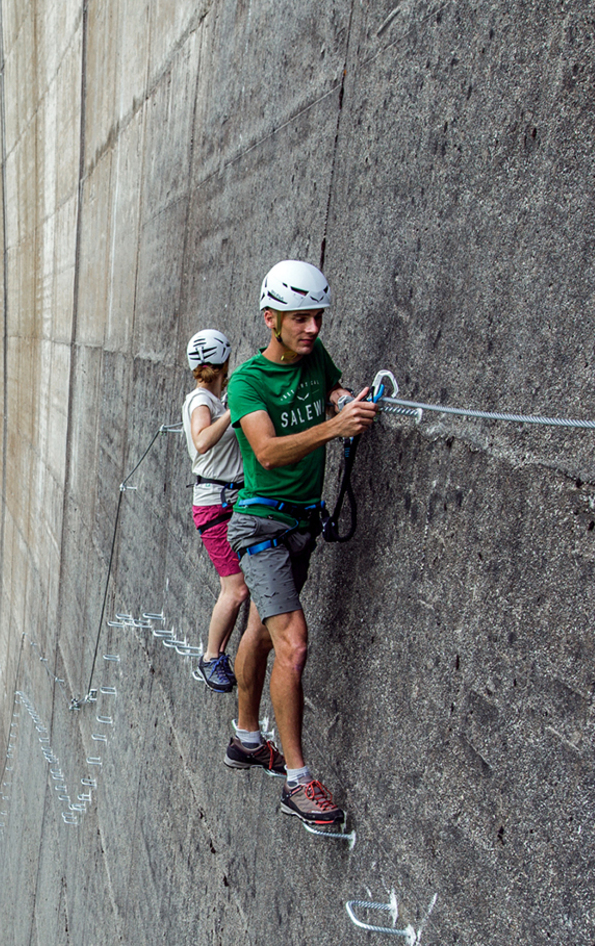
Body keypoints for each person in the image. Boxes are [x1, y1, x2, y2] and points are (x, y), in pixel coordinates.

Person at [221, 259, 379, 825]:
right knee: (293, 644)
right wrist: (335, 429)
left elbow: (330, 385)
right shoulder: (247, 382)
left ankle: (244, 737)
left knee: (263, 633)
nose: (313, 328)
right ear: (271, 319)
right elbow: (266, 450)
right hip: (260, 526)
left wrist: (338, 399)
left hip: (301, 527)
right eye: (301, 318)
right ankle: (298, 780)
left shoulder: (316, 358)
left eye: (318, 317)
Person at [182, 329, 265, 693]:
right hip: (216, 505)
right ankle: (210, 656)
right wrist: (233, 411)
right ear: (224, 362)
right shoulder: (202, 401)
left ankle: (217, 655)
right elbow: (201, 440)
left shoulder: (215, 399)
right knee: (235, 588)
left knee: (242, 586)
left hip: (230, 500)